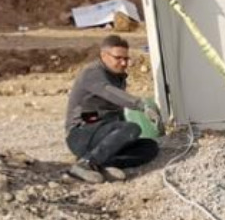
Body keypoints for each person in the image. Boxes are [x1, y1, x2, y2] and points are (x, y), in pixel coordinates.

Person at [64, 35, 161, 183]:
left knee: (150, 147)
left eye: (126, 59)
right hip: (81, 134)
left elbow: (116, 111)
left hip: (104, 133)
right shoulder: (93, 73)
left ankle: (102, 163)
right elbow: (110, 92)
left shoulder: (118, 76)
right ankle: (84, 165)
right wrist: (141, 105)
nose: (123, 63)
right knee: (131, 129)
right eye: (118, 58)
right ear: (104, 55)